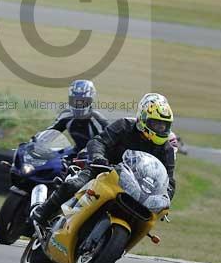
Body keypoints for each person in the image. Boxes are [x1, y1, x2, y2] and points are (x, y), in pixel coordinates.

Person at [31, 92, 176, 224]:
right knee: (73, 185)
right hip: (104, 171)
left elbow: (169, 180)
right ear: (144, 118)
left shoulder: (167, 149)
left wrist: (165, 198)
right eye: (156, 123)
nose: (160, 128)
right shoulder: (125, 125)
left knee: (146, 220)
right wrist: (98, 157)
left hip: (135, 186)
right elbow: (99, 141)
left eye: (164, 125)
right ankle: (43, 213)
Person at [42, 80, 109, 152]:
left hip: (96, 156)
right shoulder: (66, 116)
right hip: (76, 153)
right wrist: (35, 142)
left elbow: (110, 139)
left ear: (90, 100)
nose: (78, 104)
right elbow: (51, 132)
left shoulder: (97, 118)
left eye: (82, 100)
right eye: (74, 100)